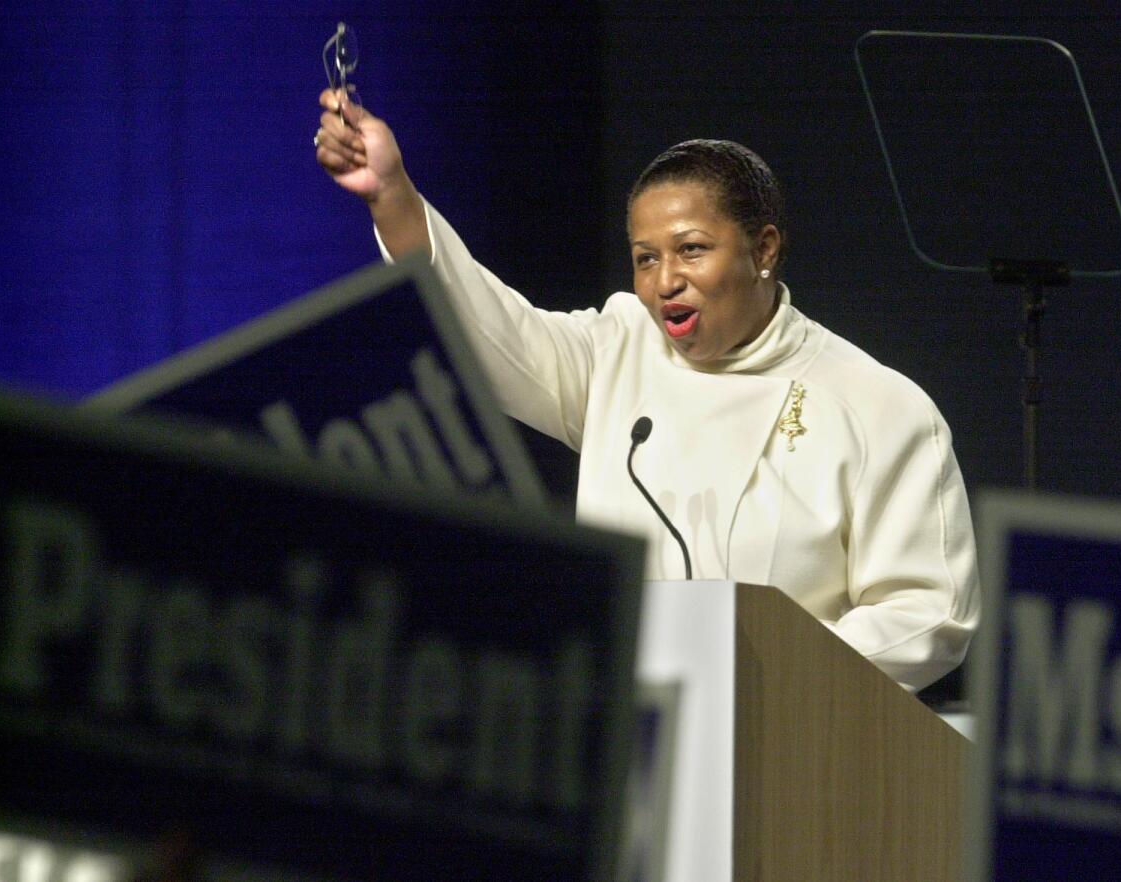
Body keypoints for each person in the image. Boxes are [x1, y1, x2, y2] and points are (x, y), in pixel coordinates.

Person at [313, 90, 980, 692]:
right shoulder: (619, 350)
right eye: (645, 257)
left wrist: (762, 673)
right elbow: (489, 335)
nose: (665, 281)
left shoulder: (877, 405)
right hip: (624, 727)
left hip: (791, 741)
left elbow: (930, 614)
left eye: (691, 249)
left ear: (765, 248)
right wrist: (393, 195)